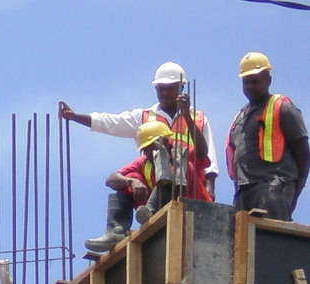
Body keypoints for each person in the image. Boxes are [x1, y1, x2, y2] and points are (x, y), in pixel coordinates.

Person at [59, 61, 219, 200]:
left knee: (187, 169)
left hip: (190, 185)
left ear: (181, 87)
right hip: (157, 185)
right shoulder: (144, 117)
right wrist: (75, 117)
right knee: (130, 178)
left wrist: (210, 187)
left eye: (170, 88)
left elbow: (208, 155)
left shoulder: (197, 117)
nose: (165, 93)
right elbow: (111, 123)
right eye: (161, 89)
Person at [85, 117, 210, 252]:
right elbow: (111, 180)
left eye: (151, 147)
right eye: (145, 149)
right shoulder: (144, 162)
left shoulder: (182, 153)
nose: (148, 153)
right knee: (131, 177)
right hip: (164, 211)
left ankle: (151, 211)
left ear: (165, 142)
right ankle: (116, 232)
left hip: (197, 211)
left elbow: (202, 151)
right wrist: (131, 181)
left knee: (184, 167)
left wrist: (186, 115)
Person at [226, 52, 309, 222]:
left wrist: (296, 188)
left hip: (272, 188)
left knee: (270, 235)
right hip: (242, 192)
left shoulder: (283, 109)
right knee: (242, 237)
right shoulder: (240, 117)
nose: (250, 86)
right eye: (246, 82)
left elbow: (303, 151)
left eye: (255, 81)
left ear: (268, 81)